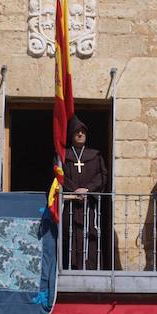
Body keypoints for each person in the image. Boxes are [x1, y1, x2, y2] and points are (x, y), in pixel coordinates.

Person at [62, 116, 108, 270]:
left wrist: (87, 190)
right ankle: (71, 267)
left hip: (90, 205)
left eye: (82, 132)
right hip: (71, 206)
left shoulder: (95, 155)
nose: (80, 134)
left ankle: (91, 267)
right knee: (70, 235)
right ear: (71, 135)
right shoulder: (63, 156)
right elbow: (59, 176)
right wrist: (75, 191)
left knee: (91, 235)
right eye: (77, 132)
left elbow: (102, 176)